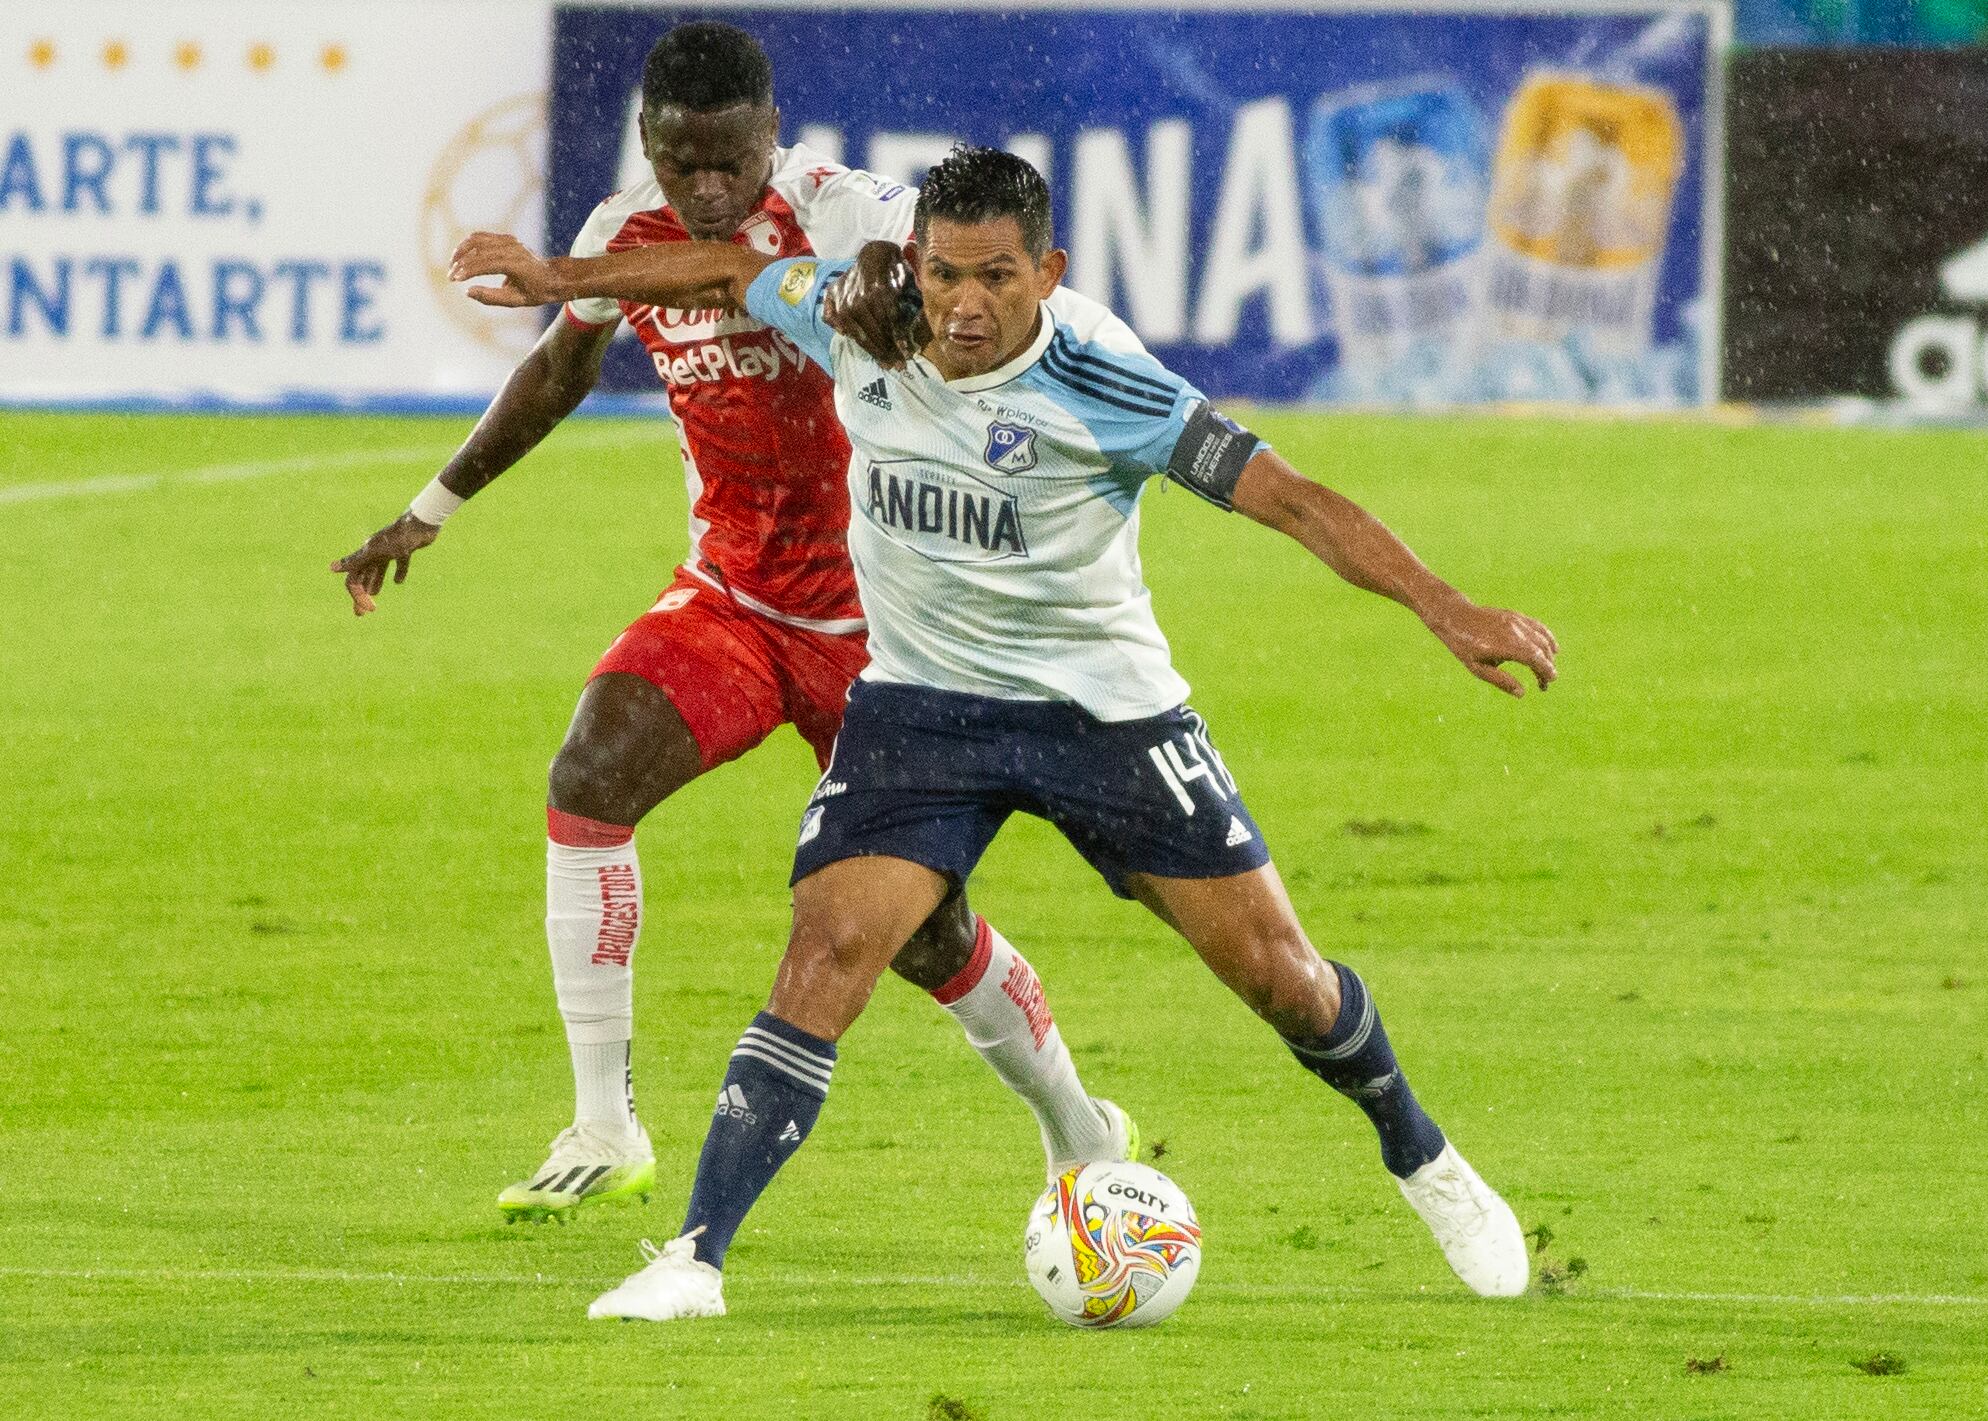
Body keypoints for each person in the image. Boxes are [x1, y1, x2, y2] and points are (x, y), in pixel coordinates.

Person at [453, 144, 1558, 1322]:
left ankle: (1424, 1159)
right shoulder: (860, 321)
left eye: (995, 277)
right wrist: (561, 275)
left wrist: (1445, 607)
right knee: (829, 947)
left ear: (1047, 272)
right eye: (943, 274)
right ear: (912, 266)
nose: (964, 304)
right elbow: (727, 269)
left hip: (1103, 711)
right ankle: (694, 1259)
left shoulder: (1105, 379)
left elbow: (1288, 497)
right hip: (922, 707)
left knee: (1280, 979)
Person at [330, 25, 1132, 1226]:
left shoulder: (842, 206)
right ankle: (604, 1125)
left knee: (924, 932)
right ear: (647, 141)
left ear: (772, 133)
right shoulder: (620, 232)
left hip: (888, 628)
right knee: (590, 774)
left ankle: (1078, 1124)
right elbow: (557, 373)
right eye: (680, 161)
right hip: (736, 602)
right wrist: (428, 508)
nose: (706, 187)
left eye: (729, 160)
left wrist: (877, 278)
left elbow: (893, 260)